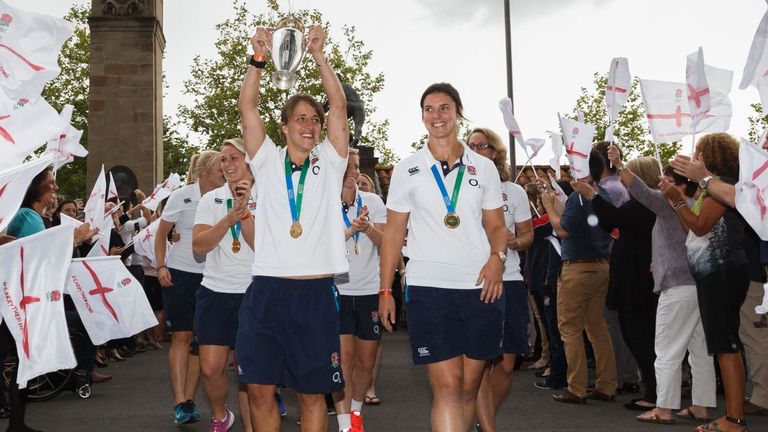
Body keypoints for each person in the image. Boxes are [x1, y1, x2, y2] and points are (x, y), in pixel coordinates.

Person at [237, 25, 349, 431]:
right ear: (283, 127)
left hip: (314, 293)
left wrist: (320, 56)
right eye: (300, 118)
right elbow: (247, 108)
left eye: (314, 120)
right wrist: (259, 57)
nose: (311, 124)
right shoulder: (266, 160)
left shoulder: (331, 162)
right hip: (267, 289)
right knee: (260, 390)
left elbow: (338, 106)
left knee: (311, 393)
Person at [378, 83, 507, 431]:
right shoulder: (408, 168)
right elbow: (392, 234)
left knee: (468, 387)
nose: (437, 116)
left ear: (458, 112)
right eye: (429, 109)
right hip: (428, 287)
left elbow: (497, 226)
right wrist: (386, 291)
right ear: (422, 117)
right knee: (448, 387)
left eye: (444, 108)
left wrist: (498, 257)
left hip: (481, 286)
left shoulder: (484, 167)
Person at [661, 133, 750, 432]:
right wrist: (680, 202)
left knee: (726, 346)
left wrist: (676, 202)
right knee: (724, 345)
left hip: (721, 272)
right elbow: (695, 225)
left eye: (698, 153)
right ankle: (733, 417)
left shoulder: (719, 185)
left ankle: (734, 420)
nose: (694, 158)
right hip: (715, 274)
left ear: (710, 156)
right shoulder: (709, 188)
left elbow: (700, 226)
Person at [571, 155, 658, 411]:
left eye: (629, 173)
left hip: (638, 279)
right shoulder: (640, 203)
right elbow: (612, 222)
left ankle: (655, 392)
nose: (623, 177)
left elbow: (614, 219)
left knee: (640, 336)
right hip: (632, 275)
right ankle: (653, 389)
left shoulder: (645, 204)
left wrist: (593, 196)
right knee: (635, 335)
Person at [467, 127, 533, 432]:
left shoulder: (514, 191)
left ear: (496, 152)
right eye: (471, 146)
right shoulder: (462, 188)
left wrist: (512, 242)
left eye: (483, 146)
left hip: (510, 279)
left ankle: (481, 418)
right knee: (479, 362)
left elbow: (527, 236)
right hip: (474, 282)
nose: (477, 150)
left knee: (507, 364)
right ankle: (488, 427)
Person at [540, 149, 618, 405]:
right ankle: (606, 385)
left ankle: (576, 387)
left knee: (570, 329)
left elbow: (562, 230)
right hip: (601, 266)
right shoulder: (601, 195)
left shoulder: (578, 197)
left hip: (577, 269)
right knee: (597, 327)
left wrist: (550, 206)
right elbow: (575, 220)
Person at [155, 150, 225, 425]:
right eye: (220, 168)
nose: (225, 171)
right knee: (182, 338)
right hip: (180, 275)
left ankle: (190, 399)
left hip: (212, 277)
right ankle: (180, 401)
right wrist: (161, 266)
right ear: (206, 170)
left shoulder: (227, 197)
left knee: (201, 342)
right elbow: (161, 234)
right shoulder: (182, 196)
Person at [192, 138, 256, 432]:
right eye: (224, 159)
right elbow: (200, 246)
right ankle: (221, 415)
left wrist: (245, 214)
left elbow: (261, 245)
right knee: (209, 368)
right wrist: (228, 219)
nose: (228, 165)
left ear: (249, 163)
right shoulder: (210, 199)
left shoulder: (269, 195)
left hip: (253, 291)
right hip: (215, 291)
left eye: (235, 158)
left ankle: (256, 423)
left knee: (249, 371)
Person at [332, 148, 387, 432]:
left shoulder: (373, 201)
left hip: (368, 290)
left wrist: (367, 229)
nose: (352, 172)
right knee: (343, 359)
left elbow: (387, 243)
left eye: (354, 167)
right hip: (337, 290)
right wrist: (349, 231)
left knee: (366, 361)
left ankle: (356, 412)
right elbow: (319, 246)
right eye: (346, 167)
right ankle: (344, 423)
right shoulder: (323, 202)